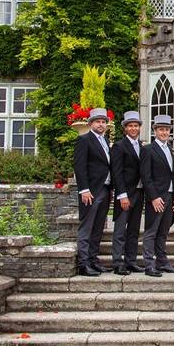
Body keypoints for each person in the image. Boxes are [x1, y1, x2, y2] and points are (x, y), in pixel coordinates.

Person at [139, 114, 174, 277]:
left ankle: (162, 262)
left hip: (170, 196)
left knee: (164, 231)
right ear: (155, 131)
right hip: (156, 198)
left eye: (166, 130)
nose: (164, 132)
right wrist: (153, 197)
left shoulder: (170, 150)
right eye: (161, 129)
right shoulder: (148, 149)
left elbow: (172, 174)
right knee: (151, 231)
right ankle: (149, 265)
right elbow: (146, 176)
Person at [73, 107, 113, 277]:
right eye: (98, 121)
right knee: (86, 228)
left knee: (98, 228)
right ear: (90, 123)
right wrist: (84, 189)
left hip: (105, 189)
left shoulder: (105, 141)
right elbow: (80, 166)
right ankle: (83, 264)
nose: (101, 124)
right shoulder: (84, 140)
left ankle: (93, 261)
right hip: (91, 191)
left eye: (103, 122)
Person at [109, 110, 145, 275]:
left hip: (139, 192)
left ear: (139, 128)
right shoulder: (119, 146)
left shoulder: (143, 147)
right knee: (120, 229)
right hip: (125, 194)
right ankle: (117, 262)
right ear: (125, 129)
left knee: (134, 229)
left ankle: (131, 261)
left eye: (136, 125)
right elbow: (117, 172)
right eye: (130, 126)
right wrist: (122, 195)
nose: (133, 128)